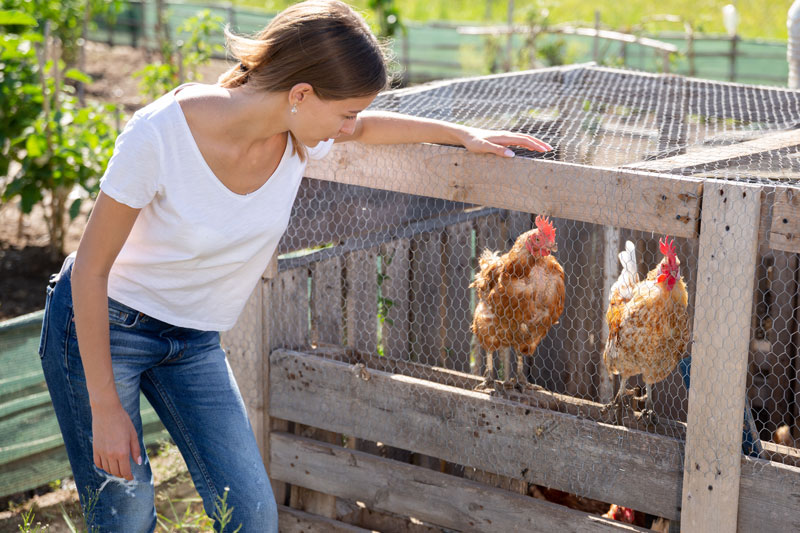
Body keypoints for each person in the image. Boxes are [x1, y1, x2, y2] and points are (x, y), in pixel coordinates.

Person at [38, 0, 552, 531]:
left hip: (193, 341)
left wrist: (462, 135)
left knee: (255, 518)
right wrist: (103, 407)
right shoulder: (159, 135)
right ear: (300, 94)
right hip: (105, 326)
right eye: (345, 111)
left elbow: (369, 127)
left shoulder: (298, 137)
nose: (350, 126)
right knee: (126, 515)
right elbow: (91, 270)